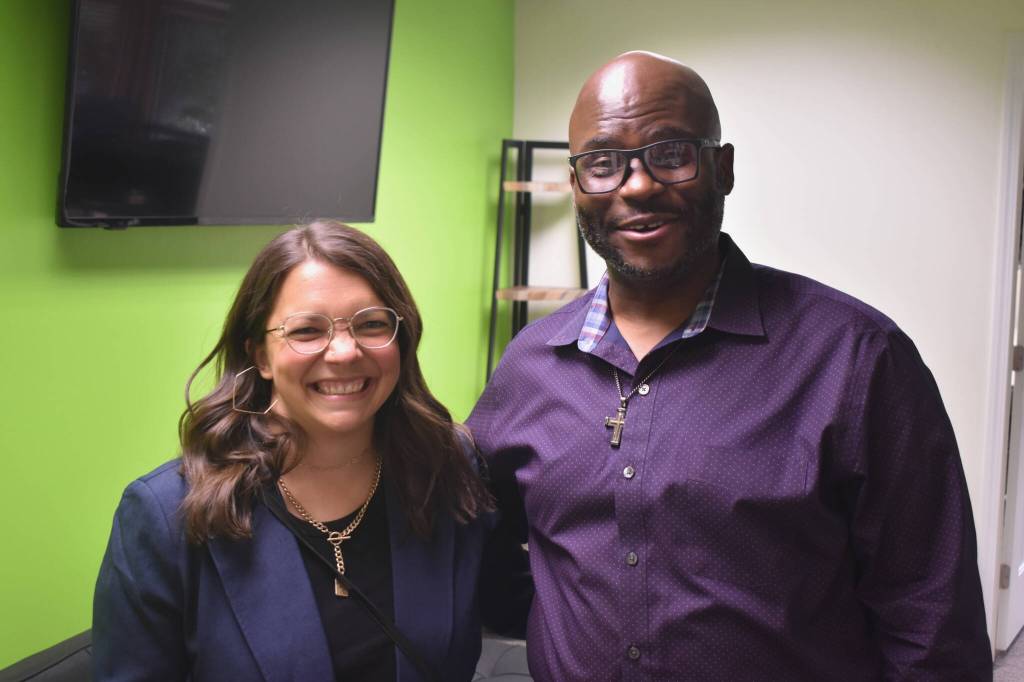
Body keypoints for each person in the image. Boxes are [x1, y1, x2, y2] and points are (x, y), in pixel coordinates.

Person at [470, 52, 992, 680]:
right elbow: (483, 548)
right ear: (578, 185)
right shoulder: (530, 365)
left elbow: (931, 624)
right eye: (603, 162)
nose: (636, 185)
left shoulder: (856, 359)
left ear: (723, 167)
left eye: (669, 152)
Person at [94, 220, 493, 681]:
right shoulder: (166, 516)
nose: (344, 351)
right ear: (260, 355)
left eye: (370, 324)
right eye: (306, 331)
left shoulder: (448, 472)